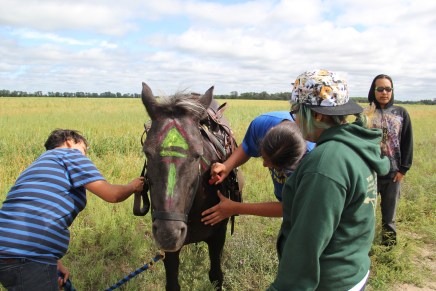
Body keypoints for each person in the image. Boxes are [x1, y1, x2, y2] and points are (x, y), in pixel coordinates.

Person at [267, 70, 390, 290]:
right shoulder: (357, 146)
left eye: (296, 111)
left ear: (317, 115)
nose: (294, 119)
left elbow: (306, 242)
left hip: (328, 282)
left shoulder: (325, 163)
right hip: (353, 270)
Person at [0, 129, 144, 291]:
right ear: (69, 141)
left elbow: (31, 211)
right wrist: (133, 186)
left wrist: (54, 261)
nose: (85, 156)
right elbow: (113, 195)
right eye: (84, 150)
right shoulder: (69, 155)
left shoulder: (37, 166)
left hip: (9, 254)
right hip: (29, 258)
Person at [201, 111, 315, 225]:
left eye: (277, 167)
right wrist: (227, 166)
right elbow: (248, 146)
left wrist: (235, 208)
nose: (264, 165)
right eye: (263, 157)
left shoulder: (312, 164)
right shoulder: (263, 124)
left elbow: (292, 207)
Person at [366, 74, 413, 246]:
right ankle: (364, 248)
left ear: (392, 91)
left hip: (393, 174)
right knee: (365, 214)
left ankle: (389, 250)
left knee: (389, 217)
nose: (384, 92)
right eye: (380, 89)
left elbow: (407, 141)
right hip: (370, 173)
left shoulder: (401, 113)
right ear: (373, 91)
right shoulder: (366, 114)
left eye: (388, 89)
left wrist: (403, 170)